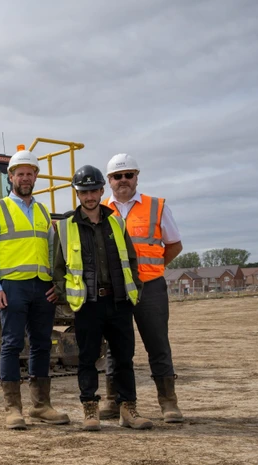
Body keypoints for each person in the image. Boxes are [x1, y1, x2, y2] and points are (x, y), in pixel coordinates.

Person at [52, 166, 151, 431]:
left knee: (123, 358)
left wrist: (135, 291)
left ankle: (128, 409)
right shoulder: (66, 227)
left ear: (101, 190)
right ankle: (90, 410)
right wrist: (69, 296)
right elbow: (59, 269)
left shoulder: (116, 222)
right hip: (87, 304)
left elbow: (130, 259)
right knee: (87, 358)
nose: (89, 196)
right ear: (78, 193)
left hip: (118, 302)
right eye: (84, 191)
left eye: (93, 190)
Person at [0, 148, 70, 430]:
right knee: (12, 344)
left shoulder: (43, 211)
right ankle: (13, 408)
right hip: (13, 287)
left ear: (35, 177)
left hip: (42, 287)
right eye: (20, 173)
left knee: (43, 344)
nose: (25, 178)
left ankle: (41, 406)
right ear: (11, 177)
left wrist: (58, 284)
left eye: (30, 173)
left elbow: (54, 250)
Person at [103, 153, 184, 423]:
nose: (123, 180)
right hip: (117, 290)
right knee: (115, 347)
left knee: (157, 343)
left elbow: (174, 244)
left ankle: (168, 403)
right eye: (117, 176)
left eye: (129, 174)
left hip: (150, 287)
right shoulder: (101, 209)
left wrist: (152, 269)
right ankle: (114, 401)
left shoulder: (156, 206)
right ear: (109, 181)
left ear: (137, 176)